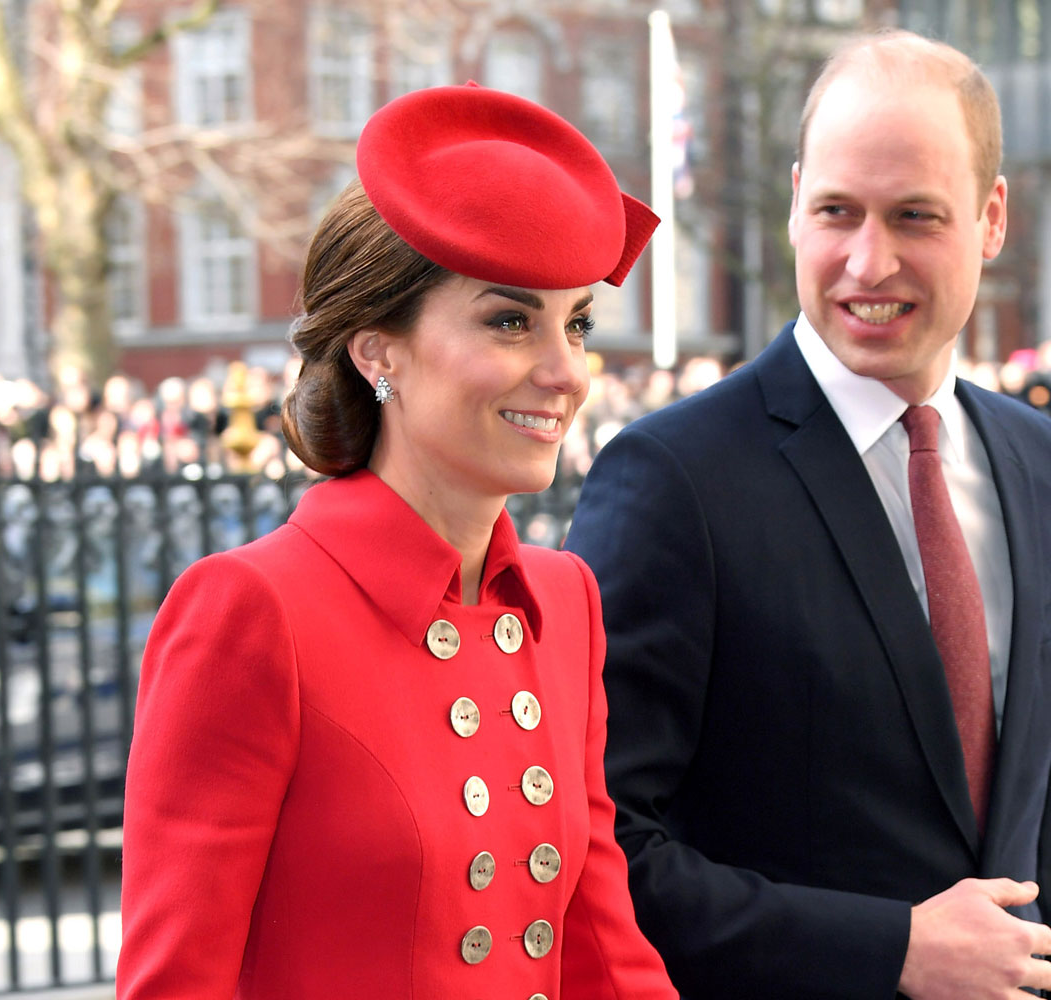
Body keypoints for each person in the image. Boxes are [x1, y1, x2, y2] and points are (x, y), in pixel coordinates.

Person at [563, 29, 1051, 1000]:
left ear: (991, 219)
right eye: (837, 212)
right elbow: (597, 848)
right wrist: (889, 946)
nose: (869, 260)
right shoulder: (672, 479)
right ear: (793, 204)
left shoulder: (1045, 466)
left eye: (914, 216)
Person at [115, 84, 676, 999]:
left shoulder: (563, 600)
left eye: (575, 323)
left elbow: (601, 945)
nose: (564, 371)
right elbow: (177, 982)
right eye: (509, 320)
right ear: (378, 353)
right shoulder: (254, 610)